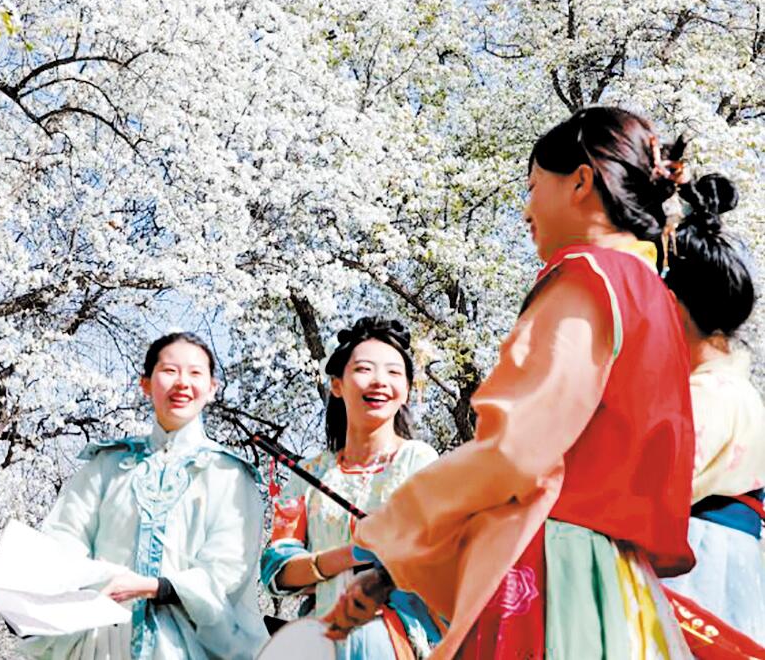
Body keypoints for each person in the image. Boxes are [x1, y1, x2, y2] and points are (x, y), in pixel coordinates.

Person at [325, 106, 698, 658]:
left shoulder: (587, 279)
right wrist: (391, 572)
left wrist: (394, 528)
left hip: (551, 570)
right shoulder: (653, 296)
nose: (526, 210)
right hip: (618, 584)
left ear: (581, 182)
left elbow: (513, 453)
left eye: (532, 187)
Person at [19, 332, 267, 660]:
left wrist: (156, 587)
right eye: (169, 371)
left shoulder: (228, 474)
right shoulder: (107, 465)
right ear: (146, 384)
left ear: (211, 389)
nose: (182, 383)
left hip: (187, 647)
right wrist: (88, 581)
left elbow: (228, 568)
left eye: (195, 373)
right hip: (103, 641)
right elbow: (64, 537)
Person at [261, 316, 442, 659]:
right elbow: (277, 567)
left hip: (392, 637)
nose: (380, 381)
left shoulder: (419, 461)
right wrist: (350, 555)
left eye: (393, 372)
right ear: (337, 384)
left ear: (406, 389)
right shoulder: (308, 473)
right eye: (364, 369)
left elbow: (434, 555)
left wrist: (321, 571)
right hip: (318, 639)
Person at [658, 172, 765, 643]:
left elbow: (655, 487)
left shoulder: (710, 395)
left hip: (700, 567)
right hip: (728, 562)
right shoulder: (731, 390)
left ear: (674, 307)